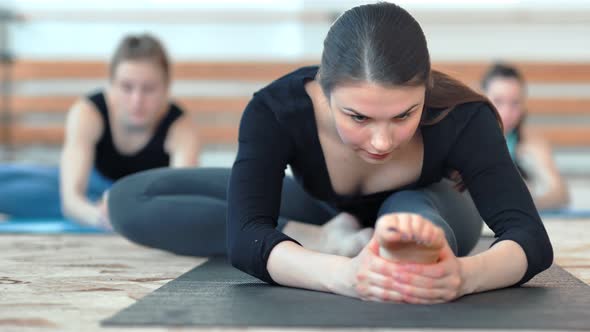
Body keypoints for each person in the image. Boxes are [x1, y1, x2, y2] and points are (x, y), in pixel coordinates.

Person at [108, 2, 552, 304]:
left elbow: (530, 239)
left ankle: (405, 249)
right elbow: (245, 239)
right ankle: (328, 240)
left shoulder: (463, 118)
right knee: (128, 201)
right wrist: (344, 275)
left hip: (432, 205)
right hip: (325, 213)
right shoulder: (274, 110)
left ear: (425, 90)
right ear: (324, 89)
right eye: (358, 118)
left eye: (404, 115)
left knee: (408, 208)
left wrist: (463, 276)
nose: (382, 141)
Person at [0, 33, 200, 229]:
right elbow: (71, 201)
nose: (137, 100)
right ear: (111, 85)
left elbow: (177, 206)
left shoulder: (180, 128)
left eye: (148, 88)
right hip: (90, 191)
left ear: (166, 89)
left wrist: (127, 214)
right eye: (126, 87)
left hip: (145, 201)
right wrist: (101, 217)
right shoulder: (88, 112)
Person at [481, 63, 569, 210]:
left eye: (515, 103)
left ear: (523, 105)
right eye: (498, 101)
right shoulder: (469, 141)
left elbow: (560, 194)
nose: (507, 112)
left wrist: (527, 201)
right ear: (483, 100)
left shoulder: (532, 144)